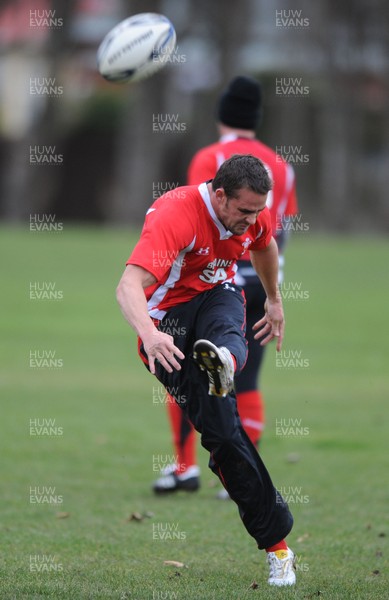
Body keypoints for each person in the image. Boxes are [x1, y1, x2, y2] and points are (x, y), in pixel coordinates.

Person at [116, 154, 296, 586]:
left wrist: (273, 299)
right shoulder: (176, 215)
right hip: (168, 325)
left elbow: (265, 244)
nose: (251, 219)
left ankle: (224, 364)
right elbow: (127, 286)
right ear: (219, 194)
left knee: (225, 320)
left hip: (217, 293)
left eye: (257, 211)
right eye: (243, 211)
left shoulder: (252, 210)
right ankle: (278, 545)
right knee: (223, 437)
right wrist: (151, 334)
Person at [153, 76, 298, 497]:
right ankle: (239, 477)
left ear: (221, 115)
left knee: (184, 370)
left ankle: (186, 469)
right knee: (246, 378)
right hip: (264, 282)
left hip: (218, 283)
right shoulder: (281, 167)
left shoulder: (211, 159)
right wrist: (274, 293)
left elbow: (200, 220)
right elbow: (275, 229)